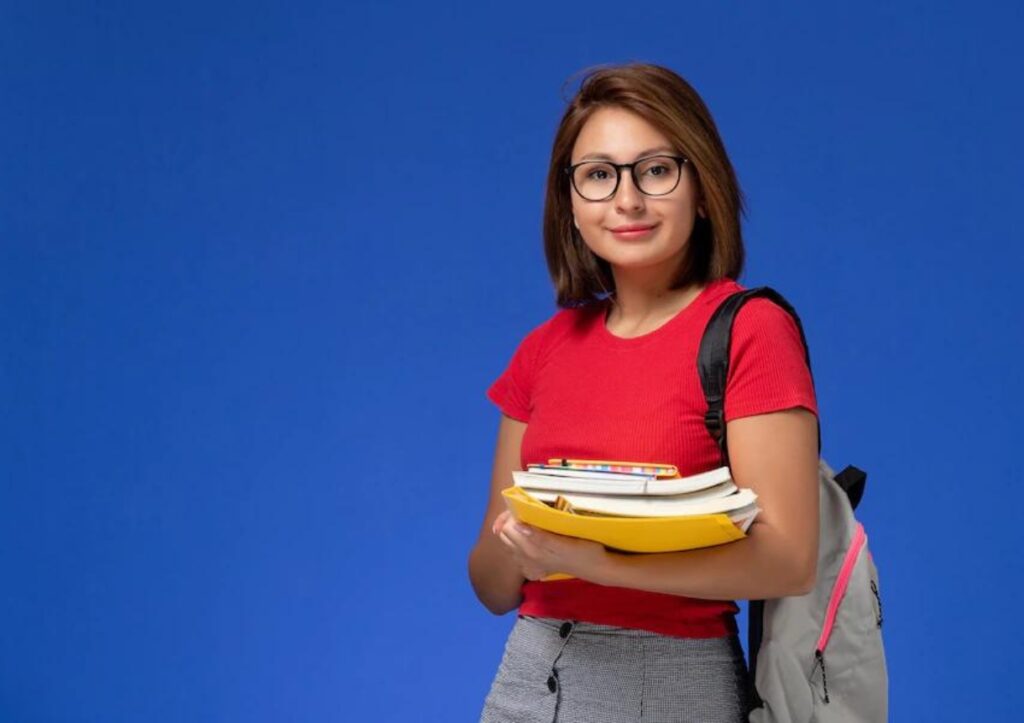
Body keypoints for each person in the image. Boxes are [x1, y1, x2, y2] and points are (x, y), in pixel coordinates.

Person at [467, 62, 820, 723]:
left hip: (665, 681)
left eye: (655, 170)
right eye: (598, 175)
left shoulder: (751, 329)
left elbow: (789, 559)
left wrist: (595, 561)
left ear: (705, 189)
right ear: (570, 203)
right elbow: (491, 584)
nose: (626, 200)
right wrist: (523, 544)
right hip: (525, 677)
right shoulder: (543, 349)